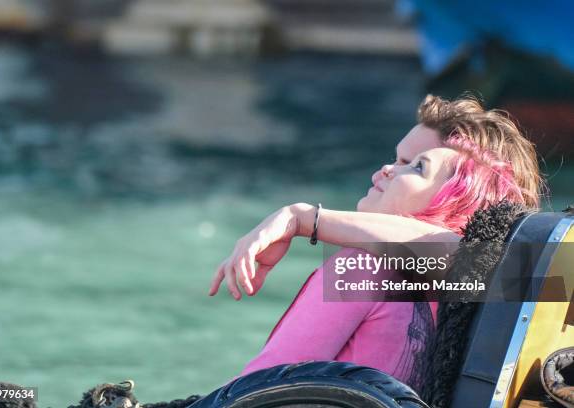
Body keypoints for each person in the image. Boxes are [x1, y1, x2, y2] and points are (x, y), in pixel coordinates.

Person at [207, 94, 543, 391]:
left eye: (416, 166)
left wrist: (304, 219)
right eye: (398, 159)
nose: (384, 171)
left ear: (460, 196)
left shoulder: (361, 268)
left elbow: (259, 392)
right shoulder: (491, 297)